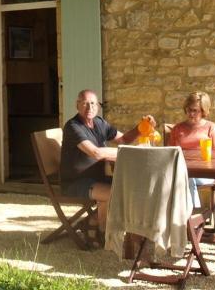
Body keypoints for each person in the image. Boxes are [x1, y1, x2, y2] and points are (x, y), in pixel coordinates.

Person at [59, 89, 148, 245]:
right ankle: (102, 234)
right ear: (77, 105)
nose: (89, 107)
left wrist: (141, 128)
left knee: (131, 190)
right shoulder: (73, 127)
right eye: (85, 103)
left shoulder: (99, 123)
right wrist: (128, 153)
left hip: (96, 178)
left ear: (98, 106)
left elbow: (124, 139)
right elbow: (96, 153)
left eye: (93, 103)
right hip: (75, 182)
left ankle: (93, 225)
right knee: (117, 195)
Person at [167, 91, 215, 210]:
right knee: (185, 176)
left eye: (195, 110)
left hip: (205, 172)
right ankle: (192, 216)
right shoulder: (178, 128)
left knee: (187, 176)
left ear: (203, 111)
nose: (191, 113)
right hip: (181, 171)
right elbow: (168, 153)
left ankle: (192, 215)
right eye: (188, 109)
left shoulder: (211, 128)